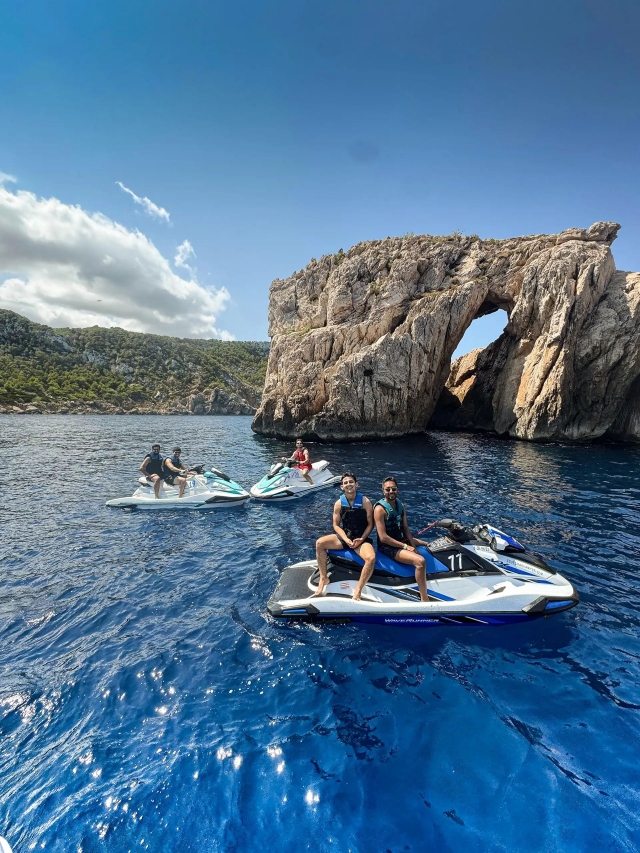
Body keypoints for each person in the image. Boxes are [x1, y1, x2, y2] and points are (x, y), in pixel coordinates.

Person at [315, 472, 376, 600]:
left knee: (371, 558)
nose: (349, 484)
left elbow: (371, 524)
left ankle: (358, 590)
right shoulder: (339, 503)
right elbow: (336, 525)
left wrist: (361, 539)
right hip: (345, 537)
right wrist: (345, 538)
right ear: (342, 487)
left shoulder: (365, 502)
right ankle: (323, 578)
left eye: (351, 482)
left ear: (356, 484)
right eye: (345, 483)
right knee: (320, 543)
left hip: (361, 539)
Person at [374, 477, 429, 602]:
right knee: (420, 561)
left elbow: (405, 528)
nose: (391, 491)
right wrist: (405, 547)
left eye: (393, 489)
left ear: (397, 490)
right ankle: (424, 598)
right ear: (383, 491)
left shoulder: (401, 506)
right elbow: (383, 537)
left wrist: (412, 546)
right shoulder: (379, 510)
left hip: (401, 540)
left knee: (428, 545)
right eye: (388, 489)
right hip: (388, 546)